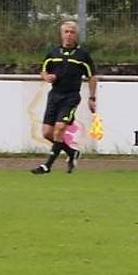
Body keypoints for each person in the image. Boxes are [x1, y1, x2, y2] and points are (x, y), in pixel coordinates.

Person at [31, 20, 97, 175]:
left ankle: (47, 166)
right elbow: (44, 70)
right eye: (66, 32)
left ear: (76, 35)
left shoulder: (82, 55)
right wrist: (47, 77)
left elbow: (92, 77)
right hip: (54, 96)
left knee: (60, 128)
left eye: (72, 32)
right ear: (61, 34)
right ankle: (72, 152)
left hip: (71, 97)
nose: (69, 35)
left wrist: (92, 98)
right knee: (47, 133)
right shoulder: (53, 53)